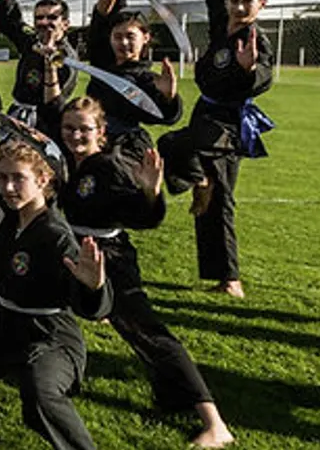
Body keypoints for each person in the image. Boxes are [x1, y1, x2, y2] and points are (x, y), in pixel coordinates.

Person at [55, 98, 235, 447]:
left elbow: (143, 218)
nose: (75, 135)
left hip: (111, 260)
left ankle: (215, 423)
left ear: (101, 132)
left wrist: (151, 193)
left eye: (84, 129)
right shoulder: (79, 163)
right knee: (128, 330)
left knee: (149, 333)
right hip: (82, 254)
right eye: (69, 128)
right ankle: (170, 396)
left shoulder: (108, 167)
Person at [157, 0, 277, 298]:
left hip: (229, 121)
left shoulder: (256, 39)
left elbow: (264, 78)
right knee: (189, 171)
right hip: (205, 112)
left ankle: (232, 278)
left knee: (214, 190)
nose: (240, 6)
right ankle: (199, 185)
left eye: (248, 2)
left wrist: (249, 69)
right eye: (235, 0)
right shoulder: (218, 24)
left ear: (262, 4)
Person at [0, 141, 112, 450]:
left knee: (39, 396)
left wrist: (93, 286)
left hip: (50, 338)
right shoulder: (9, 220)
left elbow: (92, 309)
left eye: (18, 178)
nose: (8, 186)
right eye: (2, 177)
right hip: (5, 329)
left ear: (42, 180)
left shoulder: (55, 235)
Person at [88, 0, 183, 167]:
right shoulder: (101, 62)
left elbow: (165, 118)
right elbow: (102, 15)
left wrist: (168, 97)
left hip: (128, 150)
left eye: (130, 36)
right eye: (117, 36)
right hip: (91, 142)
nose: (123, 43)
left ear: (145, 37)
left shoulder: (146, 79)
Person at [0, 0, 77, 140]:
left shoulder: (66, 58)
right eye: (39, 17)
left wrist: (49, 62)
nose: (44, 22)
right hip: (17, 118)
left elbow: (54, 104)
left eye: (52, 18)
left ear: (65, 24)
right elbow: (13, 23)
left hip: (45, 127)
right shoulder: (32, 42)